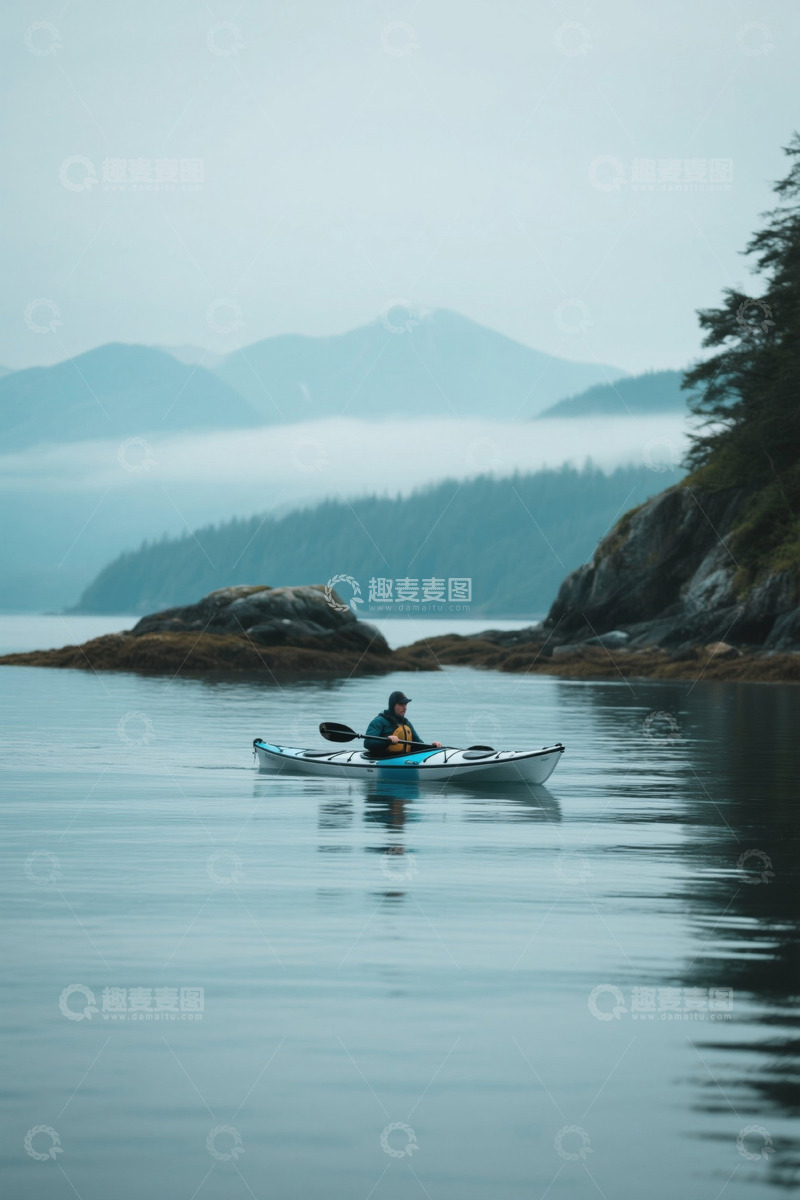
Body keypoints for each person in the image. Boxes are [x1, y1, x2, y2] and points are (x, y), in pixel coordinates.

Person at [364, 691, 443, 756]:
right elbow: (367, 743)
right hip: (383, 759)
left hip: (403, 759)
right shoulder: (379, 721)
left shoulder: (406, 723)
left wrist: (433, 747)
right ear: (393, 705)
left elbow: (418, 744)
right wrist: (387, 741)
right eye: (401, 704)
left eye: (405, 704)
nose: (404, 707)